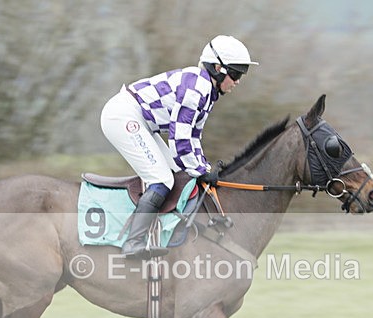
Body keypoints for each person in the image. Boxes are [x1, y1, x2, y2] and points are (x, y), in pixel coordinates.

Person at [100, 35, 258, 259]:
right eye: (235, 73)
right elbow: (180, 141)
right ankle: (133, 243)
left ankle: (166, 233)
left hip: (141, 120)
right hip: (123, 116)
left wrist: (204, 168)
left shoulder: (208, 92)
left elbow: (194, 138)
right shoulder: (197, 88)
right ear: (217, 68)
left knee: (178, 174)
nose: (238, 80)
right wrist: (202, 171)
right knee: (162, 180)